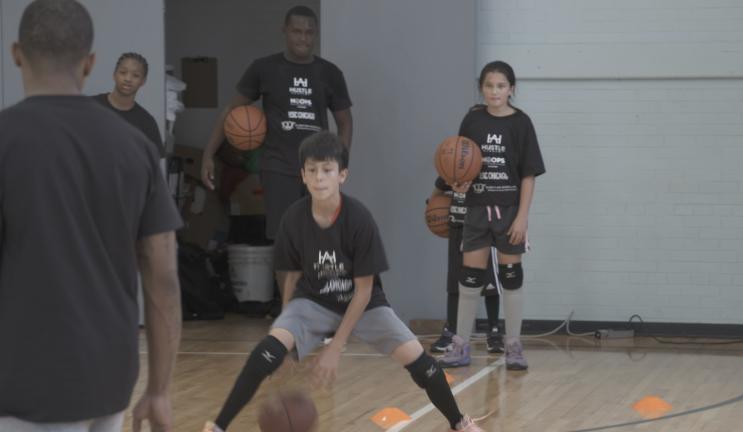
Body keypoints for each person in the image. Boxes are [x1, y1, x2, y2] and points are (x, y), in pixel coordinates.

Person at [202, 132, 483, 432]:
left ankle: (459, 422)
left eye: (327, 170)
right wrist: (284, 333)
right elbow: (291, 276)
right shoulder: (293, 219)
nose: (319, 178)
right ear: (302, 175)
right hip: (313, 300)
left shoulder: (359, 219)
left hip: (364, 304)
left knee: (424, 366)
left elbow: (363, 290)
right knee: (264, 354)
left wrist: (335, 347)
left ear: (342, 175)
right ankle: (218, 426)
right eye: (312, 170)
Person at [0, 1, 183, 431]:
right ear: (90, 63)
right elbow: (164, 278)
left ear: (16, 54)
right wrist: (158, 390)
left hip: (21, 384)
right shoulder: (133, 147)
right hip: (109, 378)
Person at [200, 5, 352, 244]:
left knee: (320, 239)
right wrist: (208, 154)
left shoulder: (330, 73)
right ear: (284, 31)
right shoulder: (264, 68)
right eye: (296, 31)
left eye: (309, 32)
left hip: (319, 169)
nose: (303, 38)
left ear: (315, 34)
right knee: (285, 240)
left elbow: (345, 122)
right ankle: (288, 284)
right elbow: (231, 111)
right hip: (278, 166)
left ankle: (309, 283)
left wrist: (340, 162)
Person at [439, 61, 545, 371]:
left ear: (511, 89)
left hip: (510, 211)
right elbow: (462, 165)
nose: (495, 91)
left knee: (511, 277)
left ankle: (513, 345)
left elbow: (528, 175)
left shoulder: (521, 123)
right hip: (476, 209)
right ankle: (460, 345)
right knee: (470, 278)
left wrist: (523, 217)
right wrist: (459, 183)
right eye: (489, 85)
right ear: (481, 89)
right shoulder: (472, 121)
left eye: (501, 86)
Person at [429, 172, 504, 354]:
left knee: (490, 283)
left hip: (483, 228)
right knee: (454, 283)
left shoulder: (489, 167)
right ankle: (451, 331)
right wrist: (435, 208)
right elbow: (437, 192)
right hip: (457, 228)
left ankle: (494, 331)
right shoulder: (454, 165)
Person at [93, 52, 165, 157]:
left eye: (135, 75)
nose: (128, 79)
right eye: (123, 72)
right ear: (114, 75)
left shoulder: (147, 122)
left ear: (143, 81)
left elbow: (152, 166)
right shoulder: (89, 106)